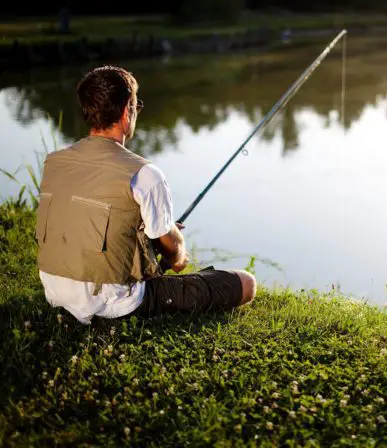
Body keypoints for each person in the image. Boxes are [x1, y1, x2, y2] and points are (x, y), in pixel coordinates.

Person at [35, 65, 256, 324]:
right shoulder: (144, 174)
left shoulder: (55, 162)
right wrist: (179, 253)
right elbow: (172, 249)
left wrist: (159, 232)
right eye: (135, 105)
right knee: (245, 283)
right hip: (112, 305)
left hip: (55, 292)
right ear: (126, 112)